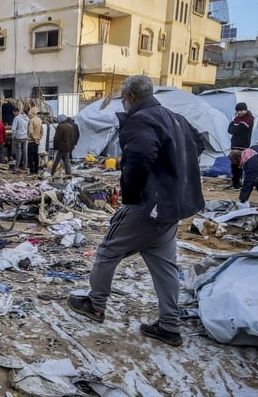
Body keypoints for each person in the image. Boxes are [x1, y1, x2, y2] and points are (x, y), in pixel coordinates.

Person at [66, 75, 205, 347]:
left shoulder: (141, 120)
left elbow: (140, 157)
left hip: (149, 206)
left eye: (122, 97)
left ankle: (95, 305)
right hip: (172, 207)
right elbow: (197, 145)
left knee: (107, 252)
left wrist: (131, 196)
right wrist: (173, 173)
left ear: (130, 97)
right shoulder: (175, 117)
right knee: (163, 265)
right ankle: (169, 325)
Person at [227, 102, 254, 190]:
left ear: (246, 110)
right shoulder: (237, 119)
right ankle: (235, 183)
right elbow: (230, 130)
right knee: (234, 165)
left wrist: (234, 127)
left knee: (239, 164)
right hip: (235, 144)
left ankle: (238, 183)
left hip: (242, 145)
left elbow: (235, 130)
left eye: (242, 110)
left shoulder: (248, 119)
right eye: (238, 110)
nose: (240, 112)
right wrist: (234, 127)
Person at [27, 107, 42, 174]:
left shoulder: (31, 120)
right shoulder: (39, 120)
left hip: (31, 141)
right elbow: (42, 131)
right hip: (37, 142)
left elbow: (31, 131)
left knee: (30, 157)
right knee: (36, 157)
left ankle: (31, 171)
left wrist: (35, 139)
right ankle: (36, 170)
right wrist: (39, 139)